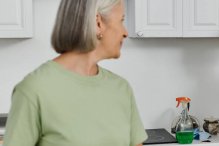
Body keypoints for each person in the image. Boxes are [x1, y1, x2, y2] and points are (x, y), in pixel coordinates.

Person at [3, 0, 147, 146]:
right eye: (121, 20)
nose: (125, 32)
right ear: (98, 23)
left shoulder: (121, 89)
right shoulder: (33, 90)